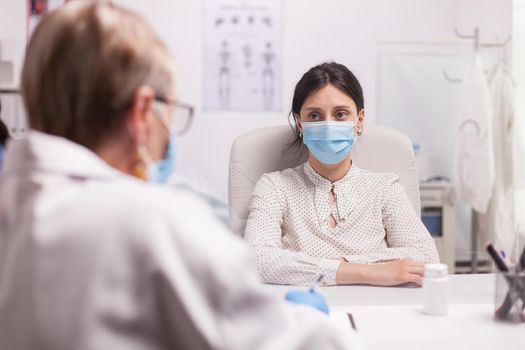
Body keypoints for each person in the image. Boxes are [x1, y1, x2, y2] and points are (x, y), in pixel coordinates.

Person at [0, 3, 359, 349]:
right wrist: (325, 325)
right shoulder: (154, 223)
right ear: (143, 111)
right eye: (168, 115)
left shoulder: (15, 203)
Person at [244, 62, 439, 287]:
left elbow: (426, 256)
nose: (328, 125)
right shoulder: (274, 187)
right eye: (315, 116)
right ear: (300, 124)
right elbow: (256, 261)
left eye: (340, 114)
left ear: (360, 121)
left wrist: (316, 267)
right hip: (304, 311)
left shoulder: (384, 188)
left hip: (376, 312)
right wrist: (370, 272)